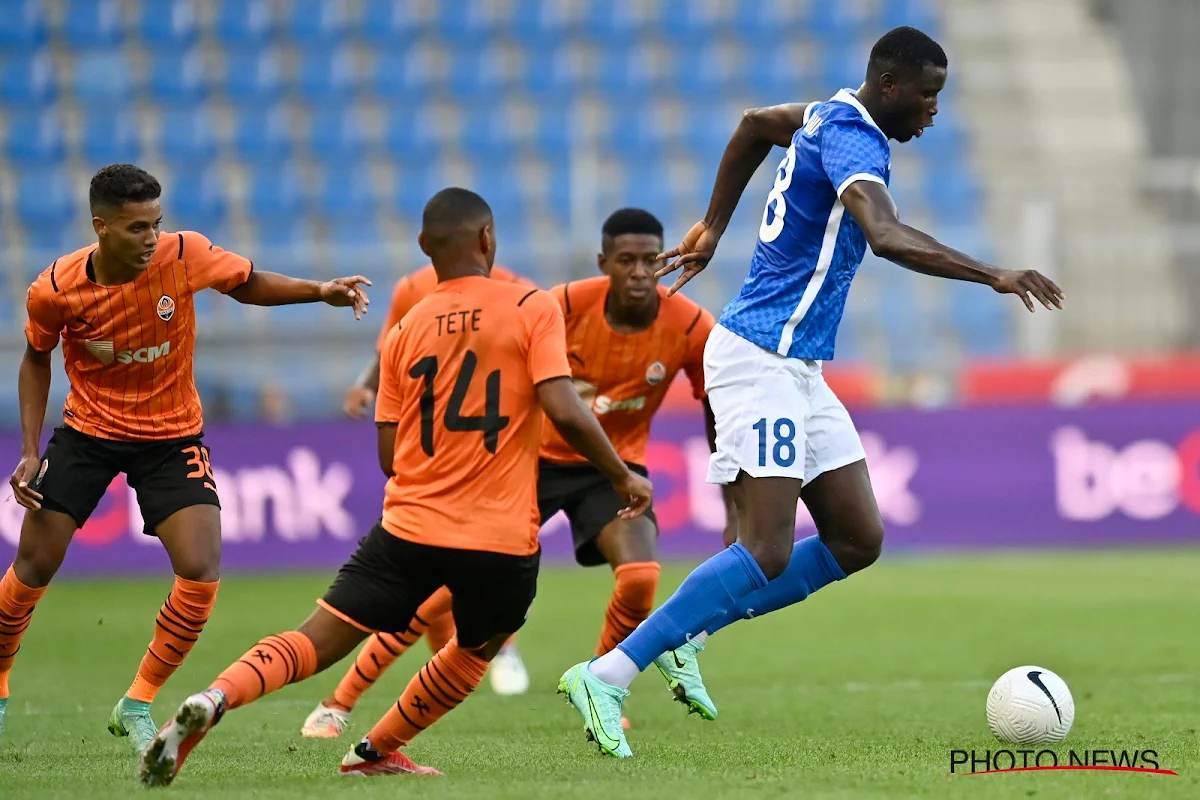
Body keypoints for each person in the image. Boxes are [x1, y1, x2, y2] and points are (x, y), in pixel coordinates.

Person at [557, 26, 1065, 758]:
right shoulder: (856, 141)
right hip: (760, 357)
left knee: (857, 537)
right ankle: (606, 674)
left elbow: (753, 125)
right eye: (926, 96)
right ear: (889, 86)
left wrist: (713, 226)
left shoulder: (827, 112)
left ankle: (686, 633)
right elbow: (885, 236)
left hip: (798, 365)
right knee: (763, 547)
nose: (932, 113)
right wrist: (995, 274)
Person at [137, 188, 653, 785]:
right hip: (500, 535)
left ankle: (217, 696)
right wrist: (620, 474)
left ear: (424, 248)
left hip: (410, 524)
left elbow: (388, 454)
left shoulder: (405, 328)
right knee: (474, 647)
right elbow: (563, 407)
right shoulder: (532, 306)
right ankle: (378, 749)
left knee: (314, 640)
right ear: (488, 240)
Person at [300, 208, 736, 739]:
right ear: (605, 264)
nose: (641, 272)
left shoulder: (691, 324)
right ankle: (338, 702)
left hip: (610, 469)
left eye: (650, 260)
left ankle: (602, 686)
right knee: (437, 592)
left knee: (641, 575)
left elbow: (717, 408)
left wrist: (733, 504)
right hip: (529, 463)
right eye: (627, 260)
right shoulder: (561, 304)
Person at [0, 164, 370, 753]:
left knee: (200, 569)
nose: (151, 237)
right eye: (136, 227)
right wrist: (26, 450)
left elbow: (246, 281)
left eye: (157, 223)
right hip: (88, 433)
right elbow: (35, 359)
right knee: (35, 565)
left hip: (172, 437)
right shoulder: (55, 289)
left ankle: (137, 702)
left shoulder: (183, 254)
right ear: (101, 227)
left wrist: (317, 291)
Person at [341, 262, 536, 698]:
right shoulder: (412, 287)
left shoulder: (515, 287)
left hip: (489, 447)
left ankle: (499, 650)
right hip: (430, 447)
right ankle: (449, 662)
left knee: (477, 560)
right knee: (438, 565)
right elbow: (389, 347)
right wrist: (366, 385)